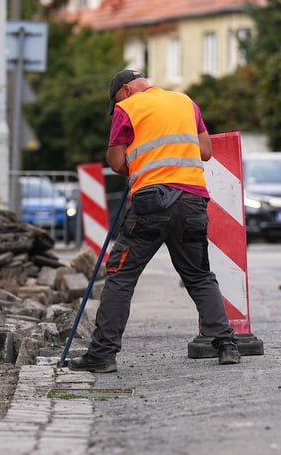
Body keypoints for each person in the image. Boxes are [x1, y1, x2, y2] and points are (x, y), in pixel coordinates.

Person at [69, 69, 239, 373]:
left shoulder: (126, 109)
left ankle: (102, 355)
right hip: (192, 201)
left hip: (152, 202)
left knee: (121, 276)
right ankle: (226, 345)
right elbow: (205, 151)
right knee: (199, 275)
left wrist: (138, 162)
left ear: (123, 91)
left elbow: (118, 162)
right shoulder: (186, 102)